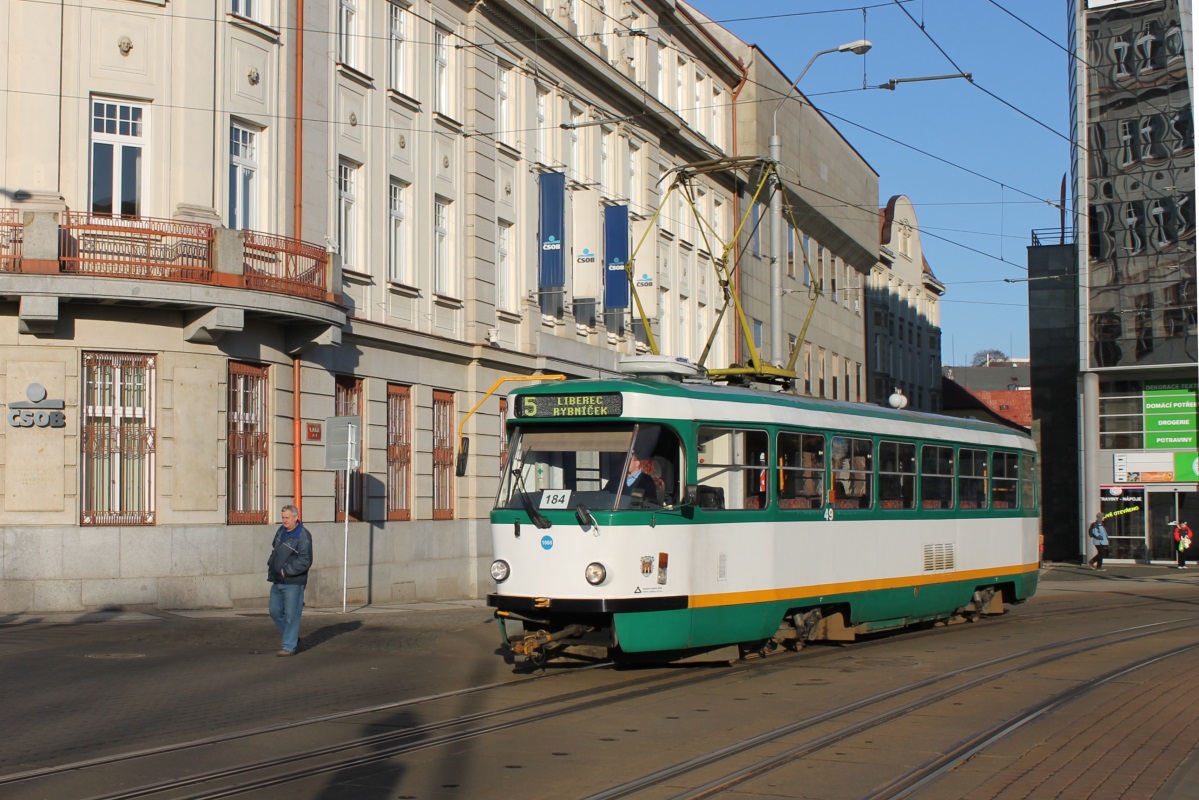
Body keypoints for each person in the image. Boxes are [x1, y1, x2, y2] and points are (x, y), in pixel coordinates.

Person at [267, 504, 313, 656]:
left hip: (294, 582)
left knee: (292, 615)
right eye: (283, 518)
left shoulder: (303, 536)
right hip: (277, 580)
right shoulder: (281, 531)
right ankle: (292, 638)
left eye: (287, 518)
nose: (284, 521)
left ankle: (288, 646)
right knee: (274, 611)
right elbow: (275, 549)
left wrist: (286, 571)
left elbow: (305, 560)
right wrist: (271, 563)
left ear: (296, 517)